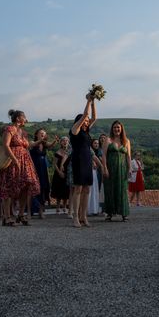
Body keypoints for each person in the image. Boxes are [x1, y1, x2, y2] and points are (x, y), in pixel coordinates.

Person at [0, 109, 40, 226]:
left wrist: (40, 141)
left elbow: (28, 145)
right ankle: (7, 217)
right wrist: (15, 159)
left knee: (26, 185)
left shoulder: (23, 132)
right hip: (12, 161)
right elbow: (5, 145)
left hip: (25, 162)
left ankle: (20, 214)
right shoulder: (9, 129)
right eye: (24, 117)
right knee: (9, 187)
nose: (26, 119)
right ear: (18, 118)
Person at [69, 95, 97, 227]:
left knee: (87, 189)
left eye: (87, 121)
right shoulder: (74, 130)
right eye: (84, 120)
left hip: (87, 159)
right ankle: (75, 217)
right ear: (79, 121)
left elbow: (94, 118)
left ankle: (83, 216)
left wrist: (94, 102)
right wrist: (88, 101)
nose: (87, 122)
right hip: (78, 159)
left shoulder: (87, 132)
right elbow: (86, 114)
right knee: (78, 188)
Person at [102, 120, 131, 222]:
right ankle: (109, 213)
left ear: (121, 129)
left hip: (122, 169)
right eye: (114, 127)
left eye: (118, 127)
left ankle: (124, 213)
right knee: (110, 190)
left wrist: (130, 168)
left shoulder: (126, 141)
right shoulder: (108, 140)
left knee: (122, 190)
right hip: (110, 169)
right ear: (112, 129)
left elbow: (128, 156)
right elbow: (104, 155)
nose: (116, 129)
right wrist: (104, 168)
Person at [29, 129, 58, 219]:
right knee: (32, 190)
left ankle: (41, 211)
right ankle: (29, 212)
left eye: (44, 133)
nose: (42, 134)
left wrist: (55, 141)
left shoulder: (44, 144)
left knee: (43, 189)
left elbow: (51, 145)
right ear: (36, 134)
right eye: (41, 133)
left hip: (43, 169)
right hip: (34, 168)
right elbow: (31, 145)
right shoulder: (32, 142)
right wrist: (40, 140)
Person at [50, 137, 71, 214]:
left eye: (66, 140)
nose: (65, 142)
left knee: (66, 190)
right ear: (60, 142)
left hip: (68, 172)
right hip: (58, 173)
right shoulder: (57, 152)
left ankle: (64, 206)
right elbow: (54, 164)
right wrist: (59, 172)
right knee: (58, 190)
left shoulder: (70, 151)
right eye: (63, 141)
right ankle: (58, 206)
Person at [87, 139, 104, 216]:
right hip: (90, 171)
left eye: (97, 143)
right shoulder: (89, 150)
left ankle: (94, 209)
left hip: (96, 172)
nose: (96, 144)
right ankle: (88, 210)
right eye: (94, 143)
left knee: (95, 190)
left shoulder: (99, 152)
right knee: (90, 190)